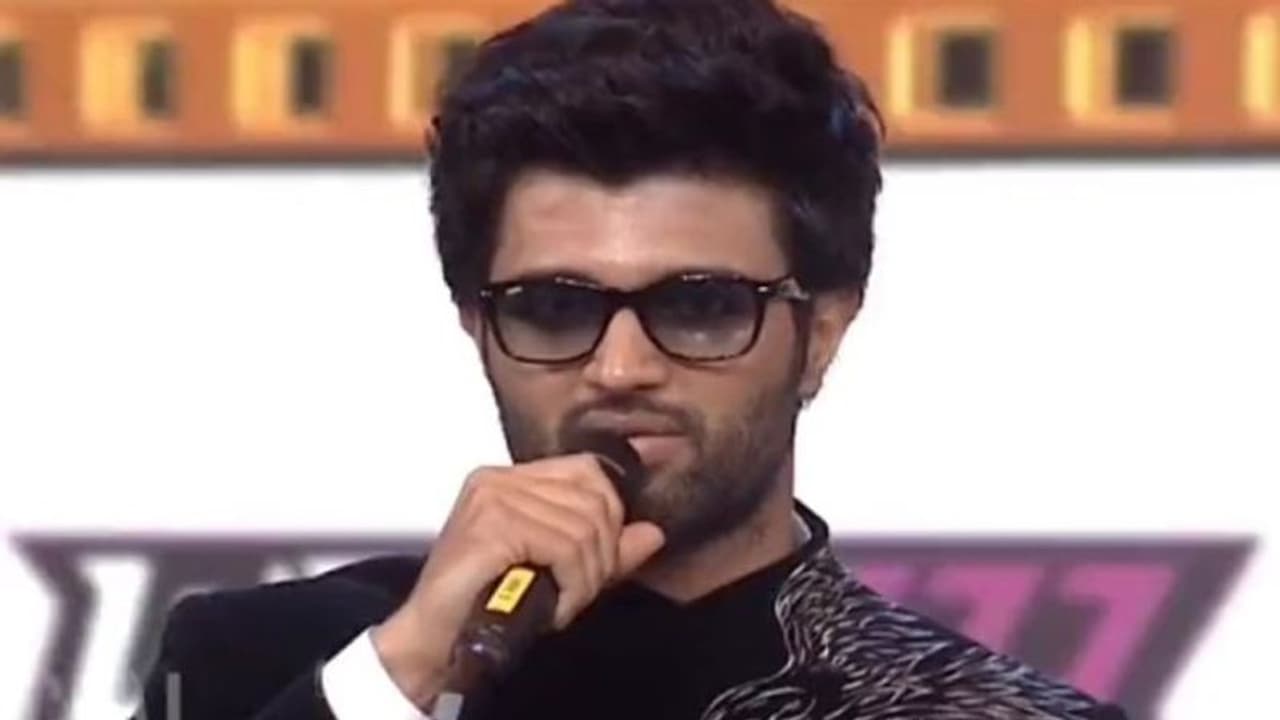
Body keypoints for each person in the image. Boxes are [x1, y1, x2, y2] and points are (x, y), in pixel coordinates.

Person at [132, 1, 1130, 718]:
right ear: (477, 327)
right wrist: (403, 674)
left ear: (820, 333)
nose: (617, 369)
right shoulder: (259, 663)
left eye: (698, 307)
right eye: (555, 308)